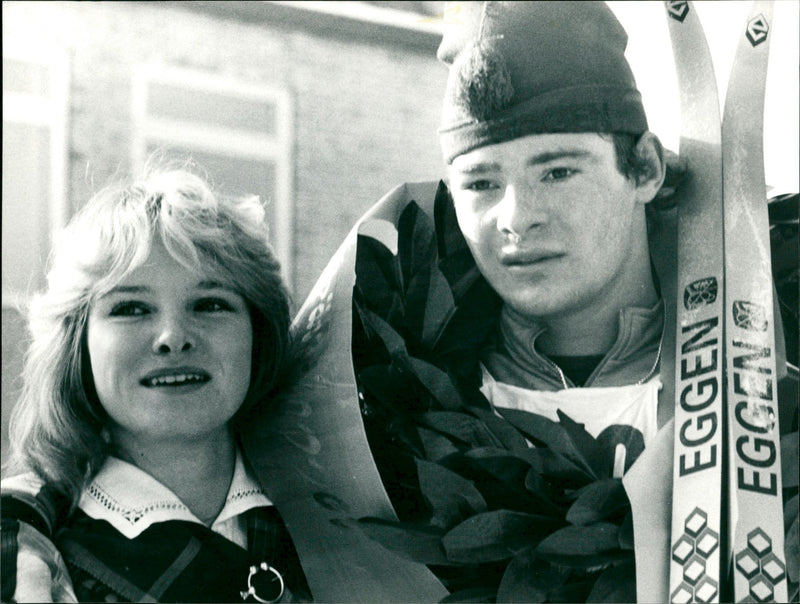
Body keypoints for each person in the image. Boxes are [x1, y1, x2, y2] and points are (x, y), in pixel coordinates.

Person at [276, 1, 797, 602]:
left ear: (645, 168)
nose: (516, 218)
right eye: (481, 183)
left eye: (558, 172)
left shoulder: (775, 358)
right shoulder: (370, 423)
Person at [1, 168, 312, 602]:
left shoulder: (332, 515)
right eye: (130, 308)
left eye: (210, 304)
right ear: (77, 344)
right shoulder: (23, 548)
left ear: (259, 334)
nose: (173, 337)